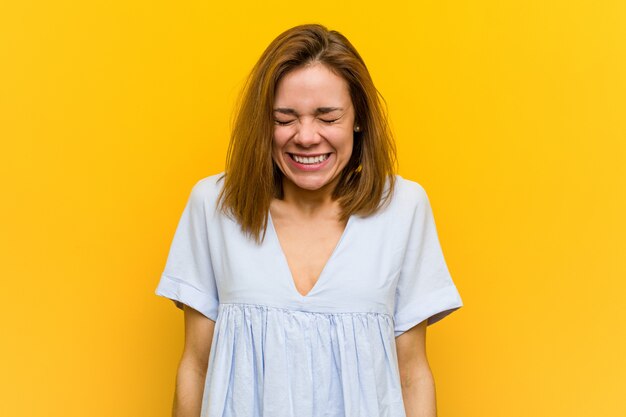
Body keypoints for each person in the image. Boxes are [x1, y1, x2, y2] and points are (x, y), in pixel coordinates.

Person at [155, 23, 463, 417]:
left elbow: (412, 373)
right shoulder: (214, 204)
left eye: (327, 117)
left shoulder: (403, 207)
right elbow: (196, 366)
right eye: (284, 118)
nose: (305, 136)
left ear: (358, 119)